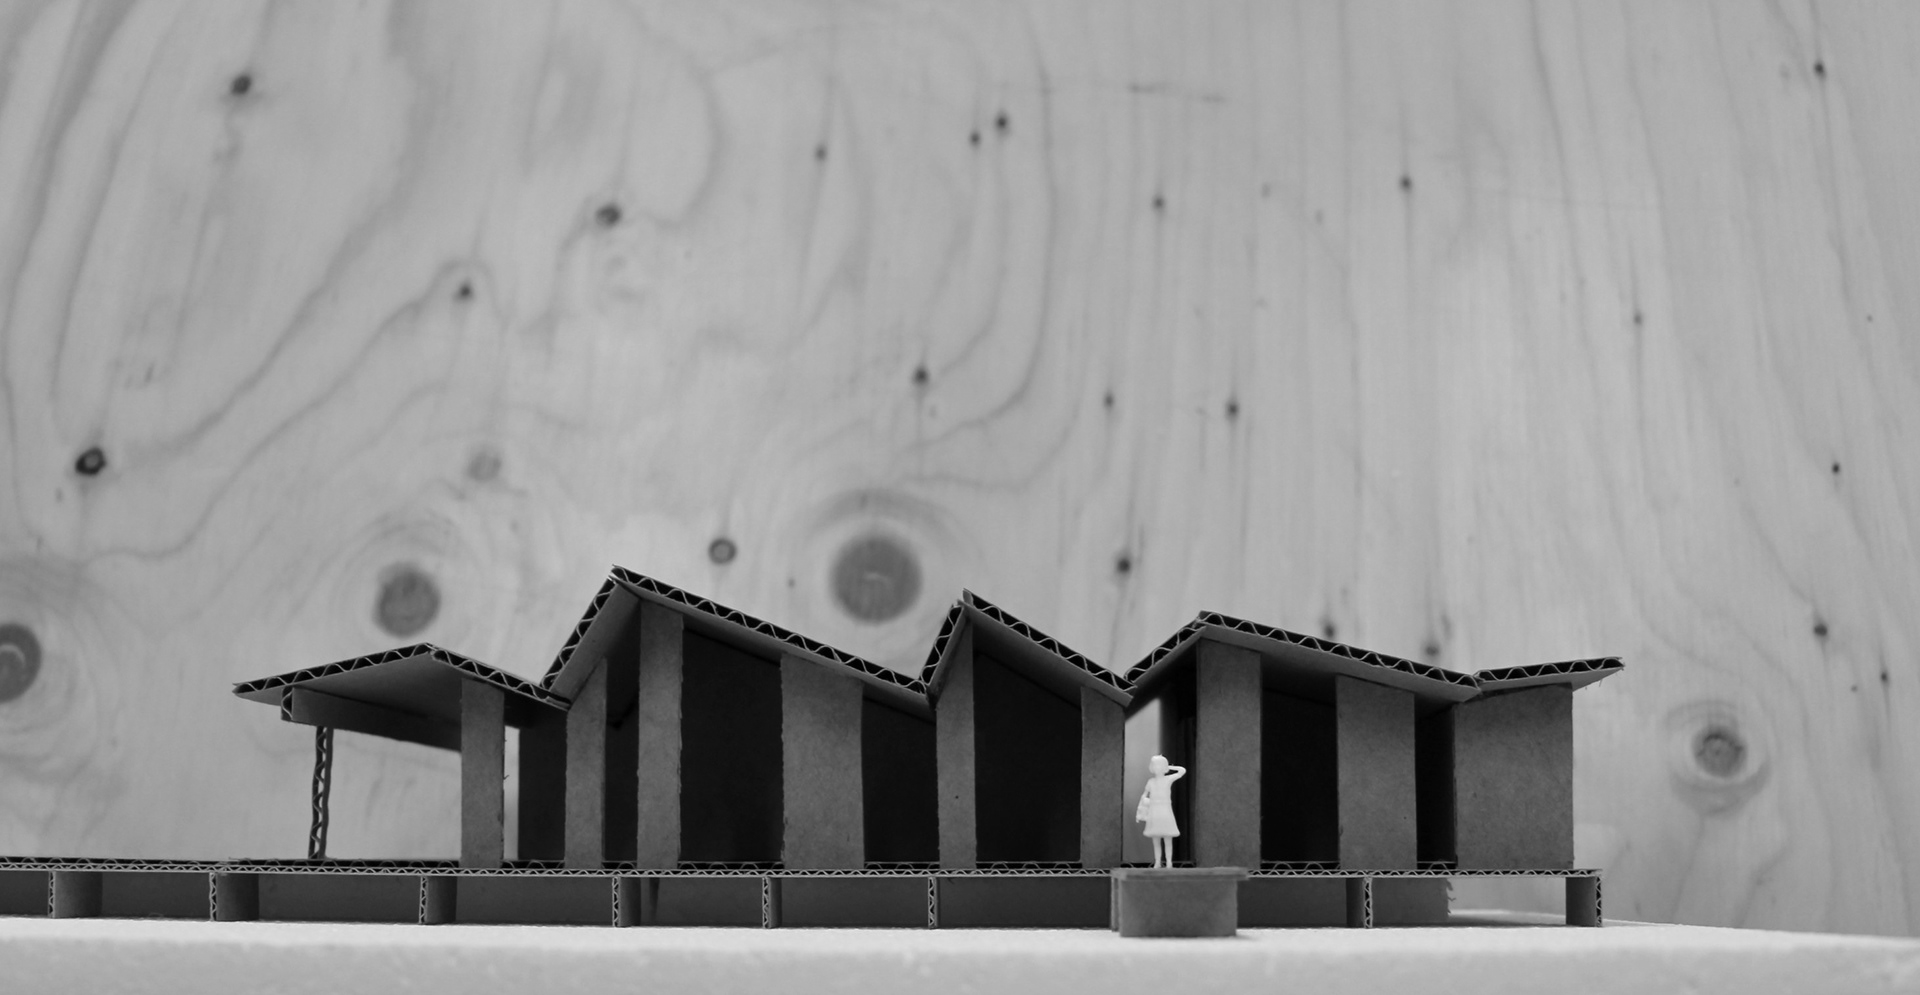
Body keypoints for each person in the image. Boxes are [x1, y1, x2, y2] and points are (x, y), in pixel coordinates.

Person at [1135, 754, 1187, 869]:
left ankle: (1169, 862)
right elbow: (1144, 795)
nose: (1156, 768)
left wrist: (1169, 767)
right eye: (1154, 765)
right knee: (1156, 839)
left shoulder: (1168, 779)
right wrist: (1142, 808)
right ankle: (1157, 862)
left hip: (1165, 810)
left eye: (1159, 765)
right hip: (1154, 811)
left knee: (1168, 838)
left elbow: (1182, 771)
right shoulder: (1151, 782)